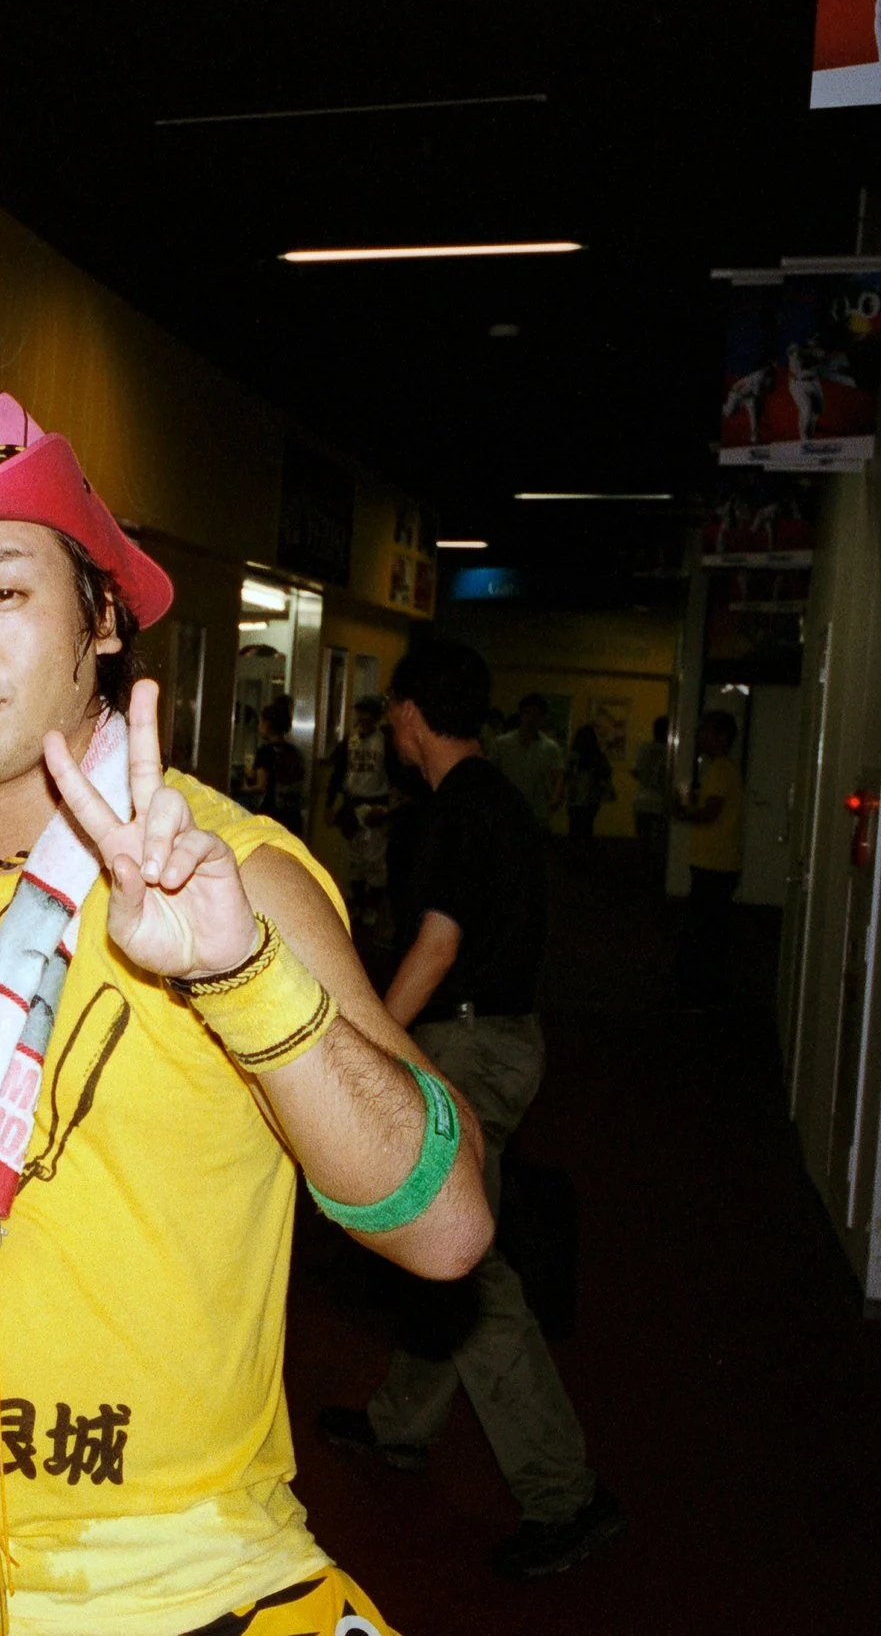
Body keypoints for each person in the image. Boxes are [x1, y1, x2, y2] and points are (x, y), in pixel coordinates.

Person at [0, 388, 492, 1636]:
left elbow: (445, 1230)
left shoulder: (237, 875)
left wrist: (238, 973)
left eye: (4, 592)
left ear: (101, 619)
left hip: (157, 1581)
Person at [314, 639, 621, 1580]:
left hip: (468, 1047)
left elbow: (437, 945)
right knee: (443, 1247)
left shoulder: (454, 812)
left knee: (474, 1268)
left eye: (392, 712)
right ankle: (403, 1422)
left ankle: (563, 1494)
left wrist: (365, 1037)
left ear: (410, 713)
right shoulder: (502, 802)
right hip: (504, 1037)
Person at [670, 710, 745, 1005]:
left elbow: (710, 813)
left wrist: (681, 811)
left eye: (706, 732)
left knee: (704, 930)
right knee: (710, 927)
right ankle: (709, 988)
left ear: (722, 737)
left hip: (715, 864)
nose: (699, 737)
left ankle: (703, 991)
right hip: (716, 862)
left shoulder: (720, 770)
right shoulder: (719, 769)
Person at [328, 696, 395, 927]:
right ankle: (356, 903)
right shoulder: (350, 741)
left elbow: (395, 775)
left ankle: (372, 906)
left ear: (376, 718)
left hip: (376, 805)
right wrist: (331, 804)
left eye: (368, 713)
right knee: (354, 860)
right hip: (352, 805)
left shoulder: (384, 742)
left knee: (375, 860)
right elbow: (338, 773)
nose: (363, 718)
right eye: (360, 713)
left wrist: (390, 808)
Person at [487, 694, 564, 832]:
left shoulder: (550, 747)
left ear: (542, 719)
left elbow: (558, 775)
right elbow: (491, 772)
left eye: (537, 715)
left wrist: (555, 796)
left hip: (537, 810)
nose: (531, 719)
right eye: (528, 713)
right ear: (521, 714)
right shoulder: (502, 744)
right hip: (508, 809)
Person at [249, 694, 308, 834]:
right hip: (293, 816)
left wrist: (239, 790)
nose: (259, 726)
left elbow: (261, 786)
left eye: (261, 722)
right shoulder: (294, 752)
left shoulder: (265, 752)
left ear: (267, 724)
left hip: (272, 814)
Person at [630, 714, 671, 873]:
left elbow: (635, 771)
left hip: (643, 799)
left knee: (643, 838)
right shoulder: (671, 752)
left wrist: (646, 779)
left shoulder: (644, 748)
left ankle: (642, 870)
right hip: (661, 801)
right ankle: (657, 870)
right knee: (661, 840)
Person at [562, 724, 615, 843]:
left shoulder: (573, 757)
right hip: (591, 798)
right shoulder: (598, 757)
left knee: (574, 828)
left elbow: (565, 776)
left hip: (575, 798)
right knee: (586, 828)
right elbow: (606, 775)